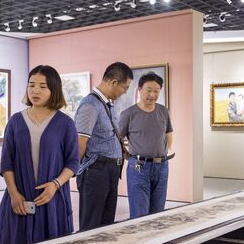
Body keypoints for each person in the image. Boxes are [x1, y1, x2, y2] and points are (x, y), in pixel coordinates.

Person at [0, 65, 79, 244]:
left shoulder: (64, 123)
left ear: (53, 89)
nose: (36, 90)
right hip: (18, 201)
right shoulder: (15, 121)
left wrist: (55, 184)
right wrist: (14, 193)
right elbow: (6, 162)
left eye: (43, 86)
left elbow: (73, 163)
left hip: (51, 202)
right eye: (32, 85)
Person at [74, 62, 133, 231]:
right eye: (125, 87)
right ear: (114, 82)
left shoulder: (106, 104)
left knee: (106, 226)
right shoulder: (90, 105)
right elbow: (80, 143)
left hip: (109, 171)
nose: (125, 92)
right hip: (96, 172)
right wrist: (72, 171)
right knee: (91, 226)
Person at [118, 72, 173, 218]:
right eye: (149, 90)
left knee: (158, 213)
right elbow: (117, 139)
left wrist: (165, 151)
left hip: (161, 167)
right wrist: (127, 156)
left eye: (156, 91)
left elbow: (168, 133)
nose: (152, 95)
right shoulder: (128, 114)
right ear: (140, 89)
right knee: (139, 214)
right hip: (138, 167)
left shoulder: (163, 111)